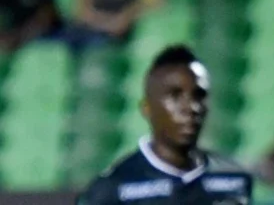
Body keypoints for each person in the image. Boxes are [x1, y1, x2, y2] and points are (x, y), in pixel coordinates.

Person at [79, 45, 253, 204]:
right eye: (175, 96)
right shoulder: (113, 188)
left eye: (199, 95)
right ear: (147, 108)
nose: (191, 108)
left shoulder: (235, 178)